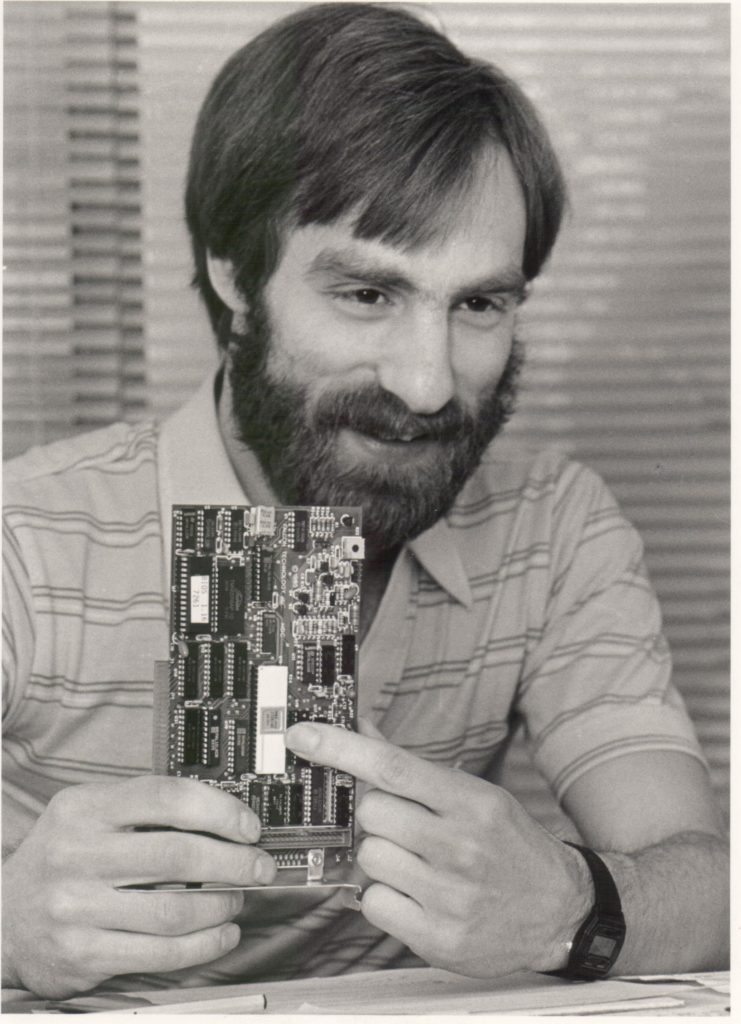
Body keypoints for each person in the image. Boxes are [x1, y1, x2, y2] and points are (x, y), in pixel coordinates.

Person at [2, 1, 728, 1000]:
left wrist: (574, 905)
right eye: (367, 295)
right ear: (235, 274)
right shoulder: (26, 538)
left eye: (478, 303)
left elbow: (707, 891)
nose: (425, 385)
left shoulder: (553, 525)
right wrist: (7, 927)